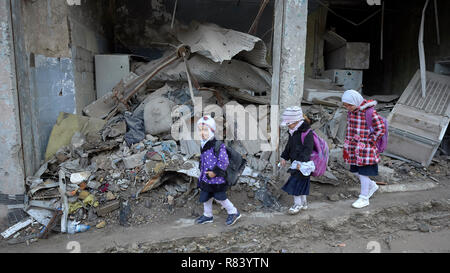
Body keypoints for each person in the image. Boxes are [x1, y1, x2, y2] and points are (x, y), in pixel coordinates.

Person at [342, 90, 386, 209]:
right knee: (355, 170)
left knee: (364, 173)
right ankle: (372, 185)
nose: (348, 108)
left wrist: (370, 141)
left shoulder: (370, 113)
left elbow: (381, 128)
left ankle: (364, 198)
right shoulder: (351, 112)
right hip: (354, 147)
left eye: (349, 105)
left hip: (366, 149)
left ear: (356, 102)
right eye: (345, 105)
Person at [195, 115, 241, 226]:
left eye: (205, 130)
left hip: (217, 179)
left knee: (220, 197)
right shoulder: (203, 144)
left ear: (212, 131)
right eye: (200, 130)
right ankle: (207, 215)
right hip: (206, 178)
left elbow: (224, 161)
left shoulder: (218, 146)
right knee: (206, 196)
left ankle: (233, 212)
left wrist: (214, 172)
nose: (202, 133)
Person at [280, 107, 315, 215]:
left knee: (295, 184)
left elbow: (308, 149)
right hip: (296, 163)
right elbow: (289, 146)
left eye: (288, 123)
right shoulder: (292, 131)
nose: (287, 125)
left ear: (296, 121)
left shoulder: (306, 132)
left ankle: (297, 204)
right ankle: (304, 203)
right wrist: (284, 157)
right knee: (301, 184)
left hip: (303, 165)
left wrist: (300, 162)